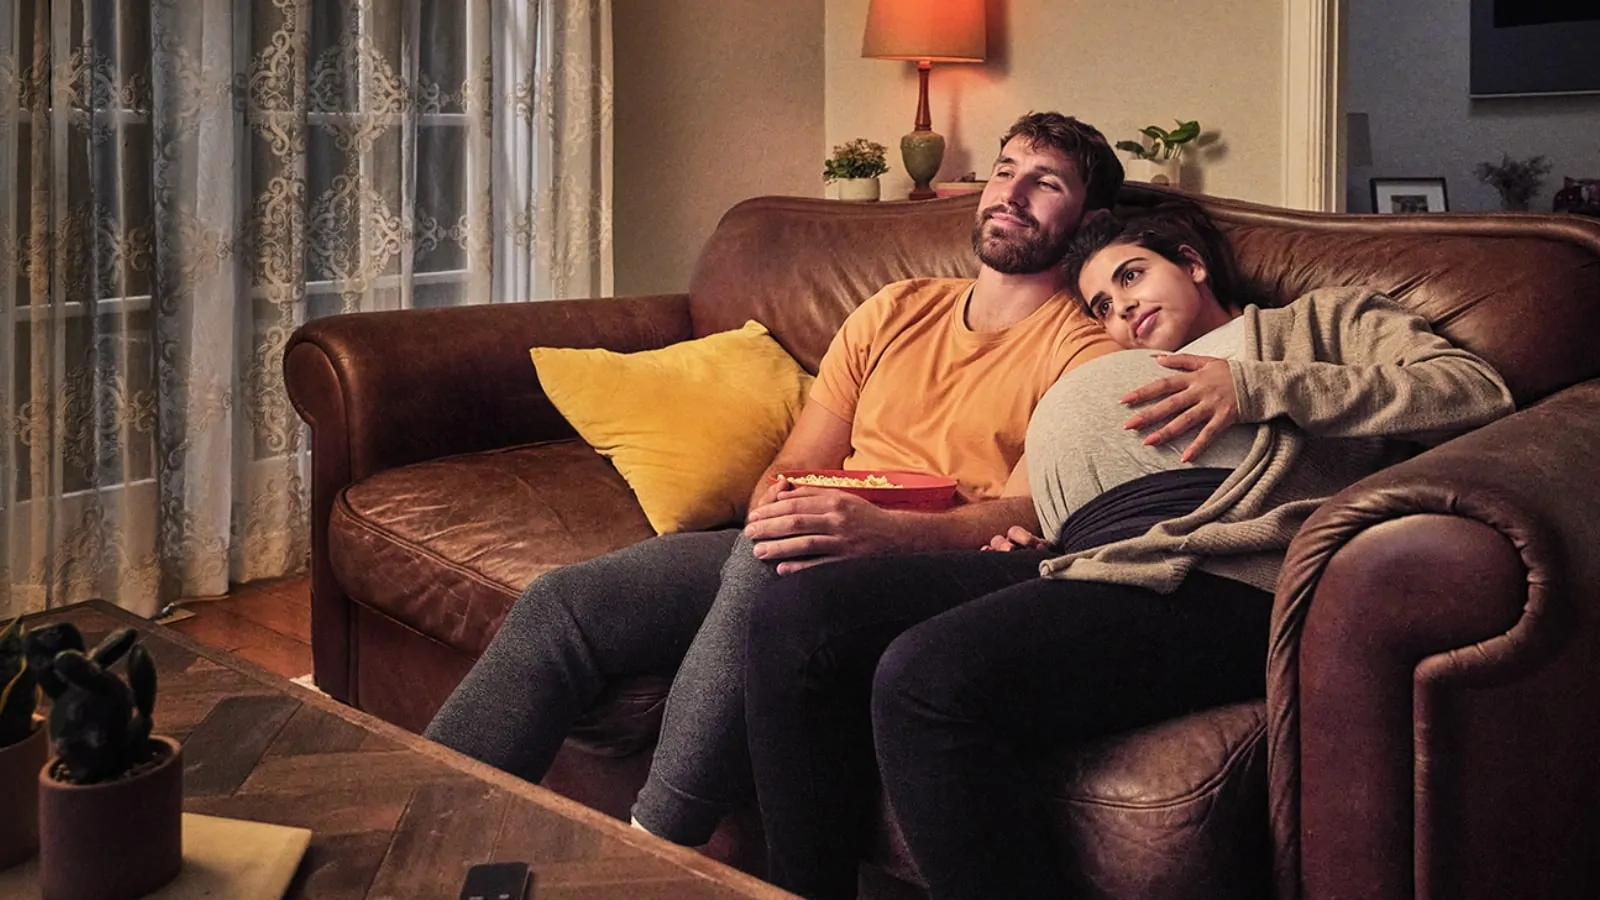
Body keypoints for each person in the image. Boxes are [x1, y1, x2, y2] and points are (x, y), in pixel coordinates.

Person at [742, 206, 1516, 899]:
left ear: (1193, 261)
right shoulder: (1106, 364)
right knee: (798, 611)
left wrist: (1252, 389)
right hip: (1085, 556)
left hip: (1219, 565)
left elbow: (1475, 391)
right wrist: (1041, 533)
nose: (1123, 308)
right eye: (1103, 305)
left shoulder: (1319, 322)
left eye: (1133, 275)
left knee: (925, 679)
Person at [423, 111, 1125, 846]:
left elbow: (1022, 511)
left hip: (922, 572)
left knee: (779, 563)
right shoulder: (898, 307)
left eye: (1045, 183)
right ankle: (427, 822)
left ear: (1090, 218)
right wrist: (780, 504)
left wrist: (876, 534)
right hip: (810, 537)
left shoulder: (1083, 355)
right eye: (1006, 170)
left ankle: (657, 849)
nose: (1012, 193)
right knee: (565, 603)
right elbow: (796, 464)